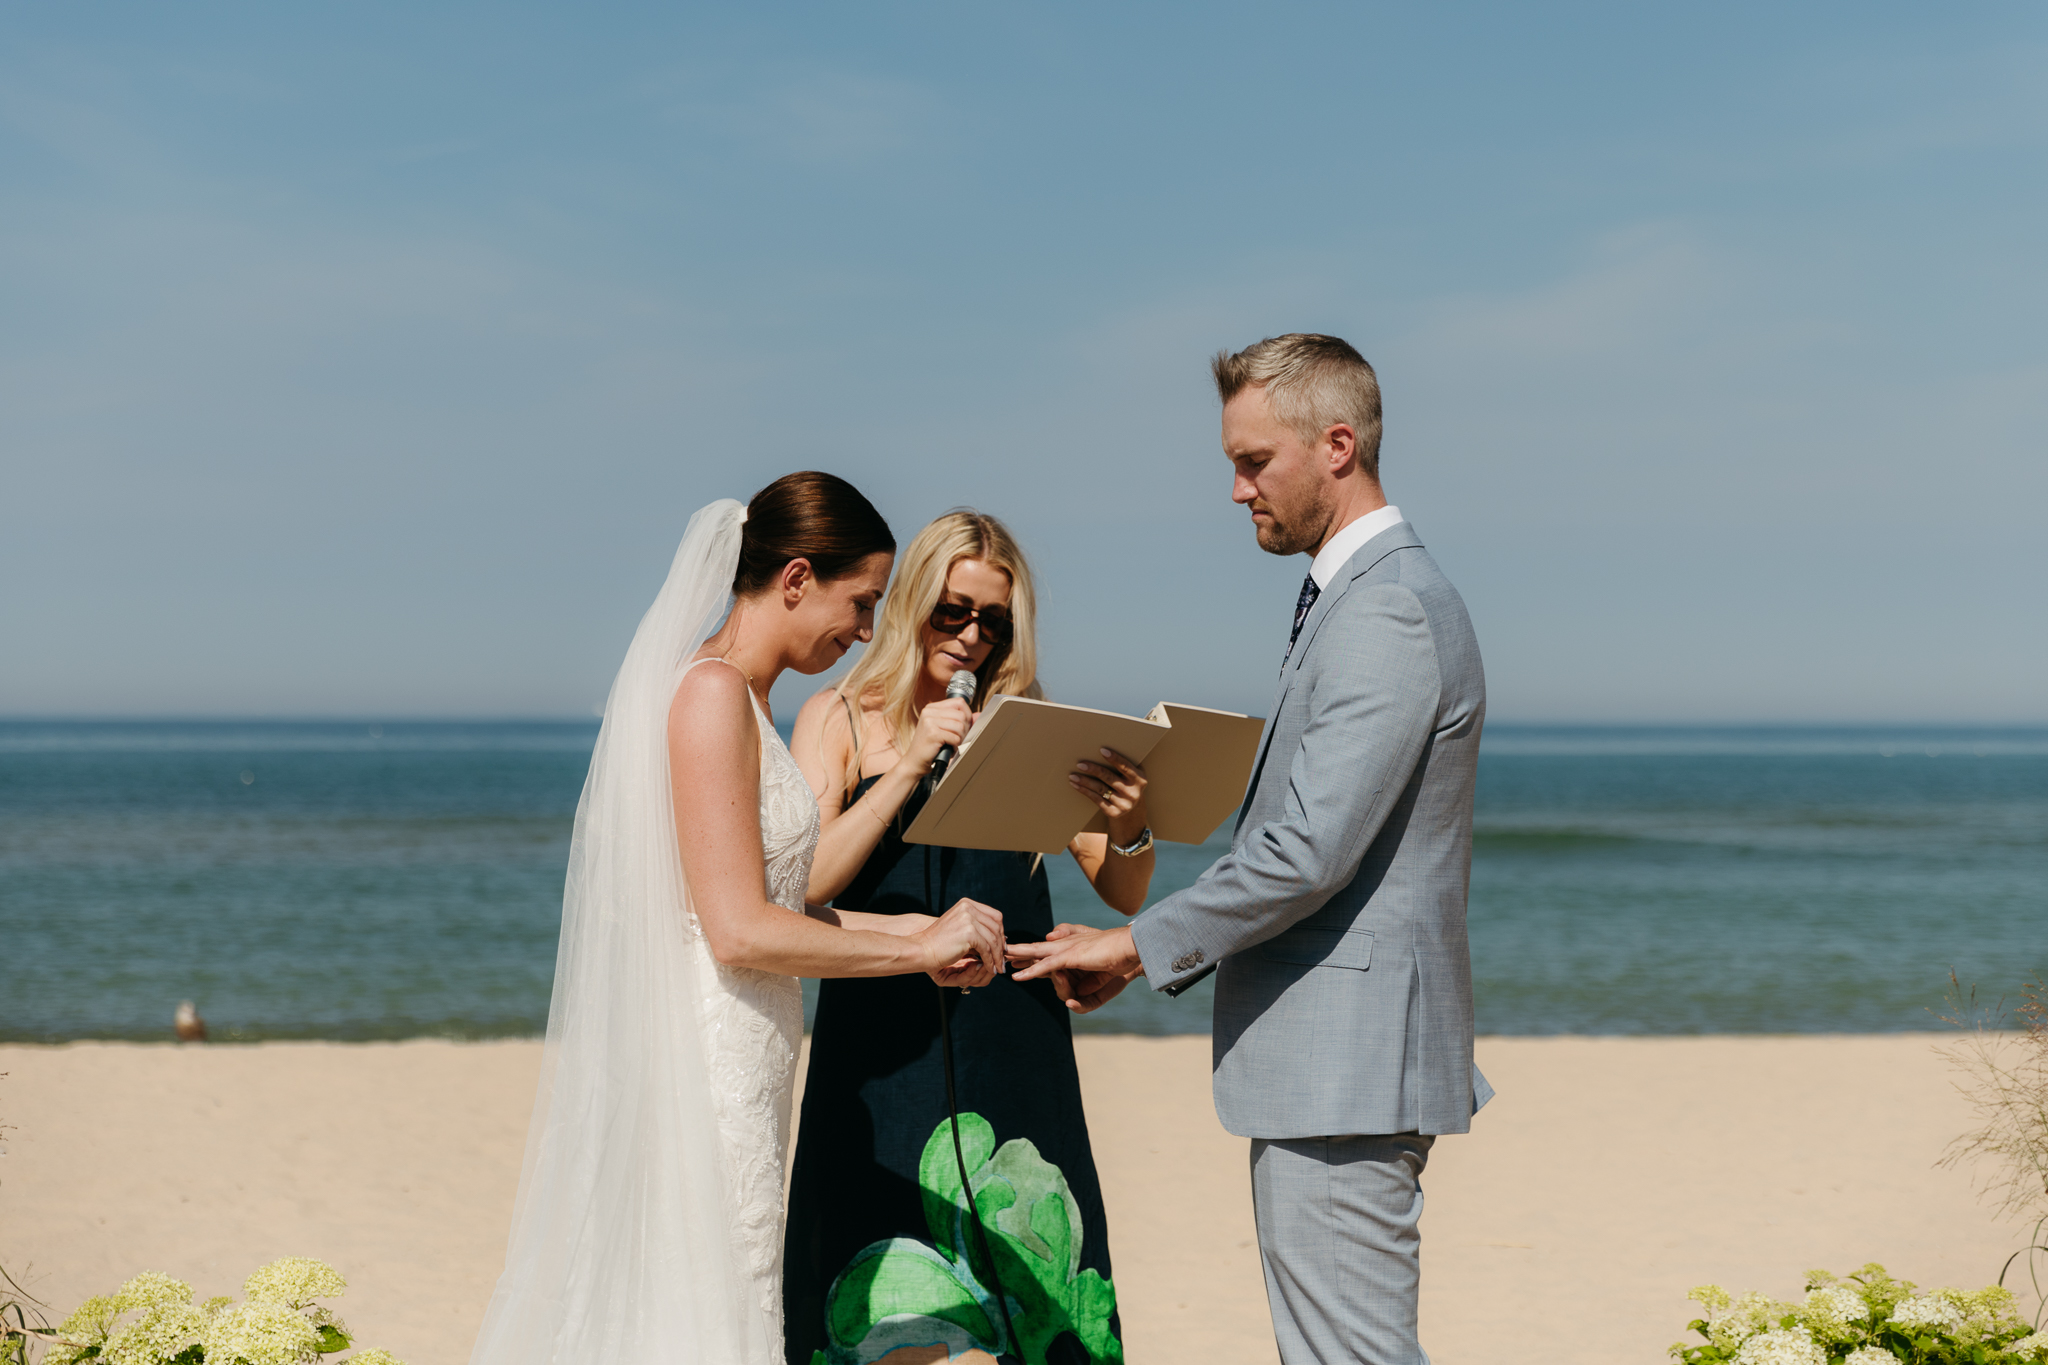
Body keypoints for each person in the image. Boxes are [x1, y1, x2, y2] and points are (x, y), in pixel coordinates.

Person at [1010, 335, 1491, 1365]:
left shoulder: (1389, 609)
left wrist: (1134, 943)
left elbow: (1307, 853)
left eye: (1252, 461)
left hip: (1345, 1067)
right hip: (1340, 1065)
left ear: (1335, 444)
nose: (1235, 490)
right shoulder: (1357, 599)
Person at [468, 473, 1007, 1365]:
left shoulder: (755, 701)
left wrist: (921, 934)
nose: (867, 630)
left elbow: (788, 901)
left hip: (753, 1058)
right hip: (707, 1066)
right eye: (860, 600)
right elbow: (738, 929)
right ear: (796, 578)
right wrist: (917, 950)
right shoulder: (712, 694)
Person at [782, 510, 1155, 1365]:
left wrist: (1131, 826)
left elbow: (1121, 882)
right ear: (912, 601)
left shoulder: (1028, 722)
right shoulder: (840, 717)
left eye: (994, 620)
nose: (974, 636)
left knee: (1040, 1311)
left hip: (1015, 1045)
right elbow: (805, 883)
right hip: (880, 1051)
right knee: (880, 1313)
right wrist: (910, 759)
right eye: (954, 611)